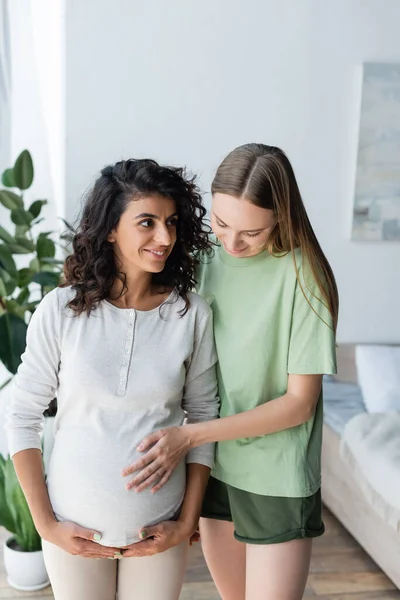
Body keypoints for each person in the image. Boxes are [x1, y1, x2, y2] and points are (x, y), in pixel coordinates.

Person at [122, 144, 339, 600]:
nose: (232, 244)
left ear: (281, 217)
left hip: (275, 477)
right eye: (221, 224)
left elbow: (300, 405)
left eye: (251, 232)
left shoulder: (305, 277)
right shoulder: (204, 262)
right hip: (214, 469)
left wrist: (192, 437)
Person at [5, 158, 219, 600]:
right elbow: (22, 415)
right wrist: (47, 526)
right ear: (109, 229)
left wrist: (186, 521)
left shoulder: (190, 314)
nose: (165, 237)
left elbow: (203, 419)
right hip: (73, 532)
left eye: (172, 222)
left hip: (158, 531)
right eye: (147, 222)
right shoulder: (61, 310)